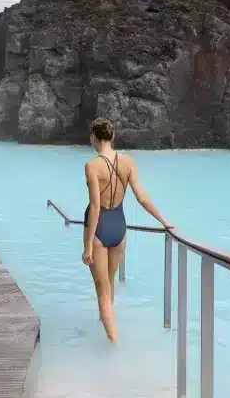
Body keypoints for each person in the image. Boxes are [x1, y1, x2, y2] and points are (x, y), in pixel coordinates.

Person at [82, 116, 173, 343]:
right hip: (119, 227)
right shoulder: (128, 162)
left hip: (100, 229)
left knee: (102, 292)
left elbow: (94, 206)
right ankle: (108, 332)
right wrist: (164, 221)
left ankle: (115, 347)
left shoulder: (92, 166)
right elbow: (141, 197)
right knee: (109, 284)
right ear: (112, 136)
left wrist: (87, 246)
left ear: (94, 137)